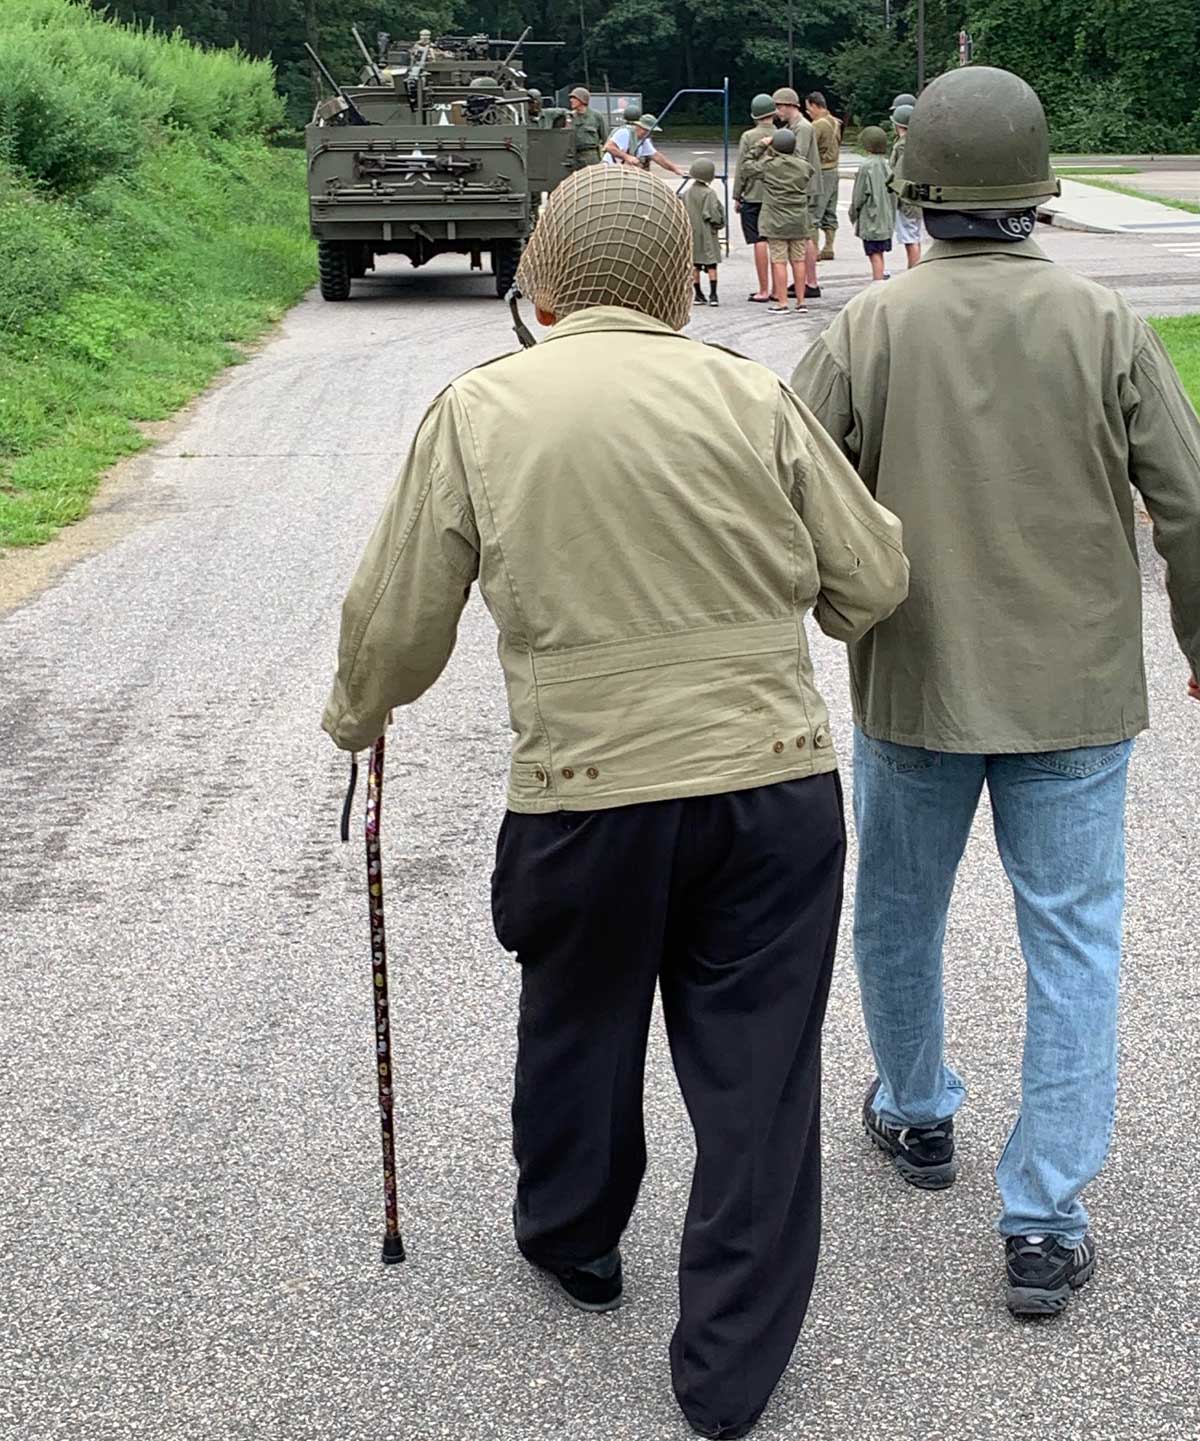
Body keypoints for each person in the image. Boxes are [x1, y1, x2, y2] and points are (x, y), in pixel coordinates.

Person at [323, 164, 909, 1439]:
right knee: (758, 1069)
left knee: (577, 1017)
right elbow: (867, 583)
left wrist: (357, 717)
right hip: (769, 783)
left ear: (540, 273)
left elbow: (399, 619)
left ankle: (575, 1236)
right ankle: (730, 1371)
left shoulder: (480, 410)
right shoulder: (751, 396)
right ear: (671, 286)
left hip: (583, 792)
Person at [790, 66, 1200, 1319]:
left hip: (913, 682)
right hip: (1075, 693)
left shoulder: (868, 327)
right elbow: (1185, 500)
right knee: (1073, 940)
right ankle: (1042, 1214)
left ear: (917, 192)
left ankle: (916, 1113)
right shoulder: (1105, 325)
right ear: (1039, 189)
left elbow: (786, 488)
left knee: (899, 913)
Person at [740, 127, 813, 314]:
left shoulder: (770, 167)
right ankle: (801, 301)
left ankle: (782, 302)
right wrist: (789, 148)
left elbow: (746, 166)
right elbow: (805, 164)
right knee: (798, 260)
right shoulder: (804, 166)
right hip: (798, 219)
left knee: (779, 261)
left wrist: (761, 146)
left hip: (776, 219)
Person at [772, 86, 824, 299]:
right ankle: (806, 281)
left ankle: (810, 281)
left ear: (788, 106)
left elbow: (797, 156)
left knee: (807, 234)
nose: (776, 112)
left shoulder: (802, 128)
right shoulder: (796, 126)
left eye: (778, 107)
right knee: (805, 233)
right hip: (805, 186)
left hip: (806, 187)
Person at [734, 93, 779, 302]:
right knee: (776, 242)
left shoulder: (748, 136)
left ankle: (763, 288)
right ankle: (778, 289)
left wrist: (737, 194)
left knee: (758, 240)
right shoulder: (783, 135)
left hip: (753, 194)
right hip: (776, 194)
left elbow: (742, 167)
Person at [848, 126, 895, 282]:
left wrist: (853, 214)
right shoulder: (888, 165)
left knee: (873, 254)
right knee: (879, 252)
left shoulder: (866, 166)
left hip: (871, 218)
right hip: (886, 218)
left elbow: (859, 196)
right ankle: (880, 277)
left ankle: (877, 284)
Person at [683, 157, 725, 305]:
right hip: (707, 233)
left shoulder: (687, 193)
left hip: (692, 233)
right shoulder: (709, 193)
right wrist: (719, 223)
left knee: (695, 263)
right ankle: (713, 295)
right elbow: (713, 214)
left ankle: (698, 294)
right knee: (711, 263)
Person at [806, 92, 842, 260]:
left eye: (808, 109)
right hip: (834, 170)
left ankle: (813, 251)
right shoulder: (836, 122)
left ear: (814, 105)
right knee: (830, 210)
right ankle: (829, 247)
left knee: (813, 212)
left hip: (821, 171)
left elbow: (809, 147)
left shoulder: (817, 125)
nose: (808, 112)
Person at [889, 103, 922, 268]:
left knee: (910, 239)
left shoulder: (902, 145)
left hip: (906, 196)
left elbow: (897, 171)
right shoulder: (918, 142)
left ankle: (913, 271)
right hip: (917, 194)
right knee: (915, 235)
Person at [624, 113, 687, 178]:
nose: (651, 134)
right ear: (641, 128)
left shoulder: (644, 140)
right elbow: (612, 148)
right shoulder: (625, 133)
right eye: (649, 131)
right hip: (616, 170)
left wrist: (676, 170)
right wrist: (626, 157)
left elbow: (657, 157)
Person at [567, 85, 607, 167]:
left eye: (574, 98)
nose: (571, 100)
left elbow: (606, 139)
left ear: (582, 100)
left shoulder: (596, 116)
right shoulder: (569, 117)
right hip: (573, 156)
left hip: (591, 156)